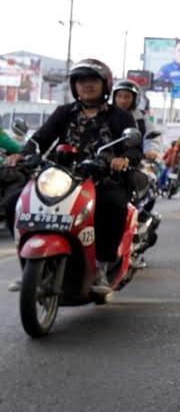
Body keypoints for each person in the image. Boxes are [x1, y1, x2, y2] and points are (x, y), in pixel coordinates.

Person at [11, 59, 140, 293]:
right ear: (74, 85)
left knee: (112, 205)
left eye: (92, 80)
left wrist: (123, 159)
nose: (86, 85)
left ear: (105, 84)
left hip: (101, 177)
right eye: (81, 81)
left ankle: (101, 266)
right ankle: (27, 266)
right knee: (14, 201)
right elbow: (40, 138)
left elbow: (132, 148)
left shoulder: (120, 116)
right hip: (61, 176)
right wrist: (23, 154)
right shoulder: (64, 112)